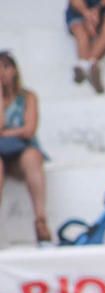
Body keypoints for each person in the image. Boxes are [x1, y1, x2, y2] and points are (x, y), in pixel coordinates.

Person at [0, 52, 51, 245]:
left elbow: (29, 130)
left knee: (32, 157)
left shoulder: (28, 96)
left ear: (14, 70)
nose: (2, 73)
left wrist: (5, 133)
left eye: (5, 67)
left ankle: (40, 220)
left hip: (22, 151)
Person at [65, 0, 105, 94]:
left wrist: (97, 9)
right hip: (82, 10)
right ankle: (90, 65)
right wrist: (87, 13)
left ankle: (84, 65)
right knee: (80, 31)